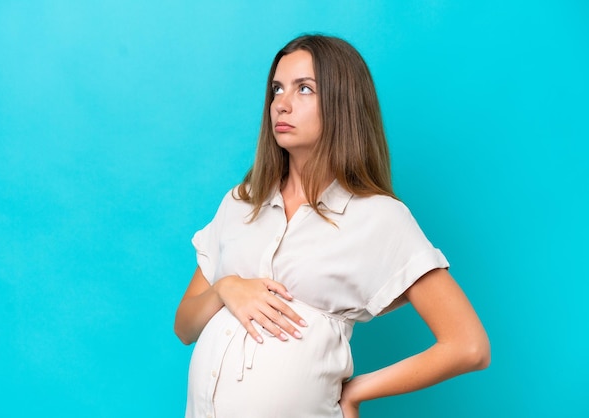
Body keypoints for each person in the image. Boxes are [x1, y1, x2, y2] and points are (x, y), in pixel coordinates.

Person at [174, 34, 490, 418]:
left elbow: (468, 345)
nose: (281, 105)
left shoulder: (377, 217)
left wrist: (356, 392)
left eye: (304, 89)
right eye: (277, 89)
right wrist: (227, 288)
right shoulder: (242, 201)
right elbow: (185, 327)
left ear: (343, 104)